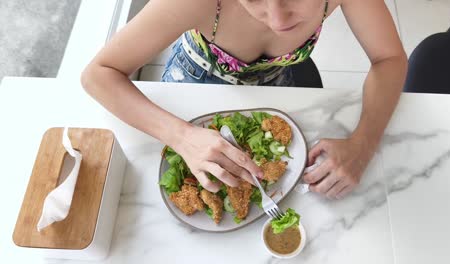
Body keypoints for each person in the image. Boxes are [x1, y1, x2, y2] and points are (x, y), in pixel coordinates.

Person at [81, 0, 407, 199]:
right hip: (195, 85)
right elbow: (98, 74)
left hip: (279, 82)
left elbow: (390, 59)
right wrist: (182, 136)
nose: (278, 20)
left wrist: (364, 143)